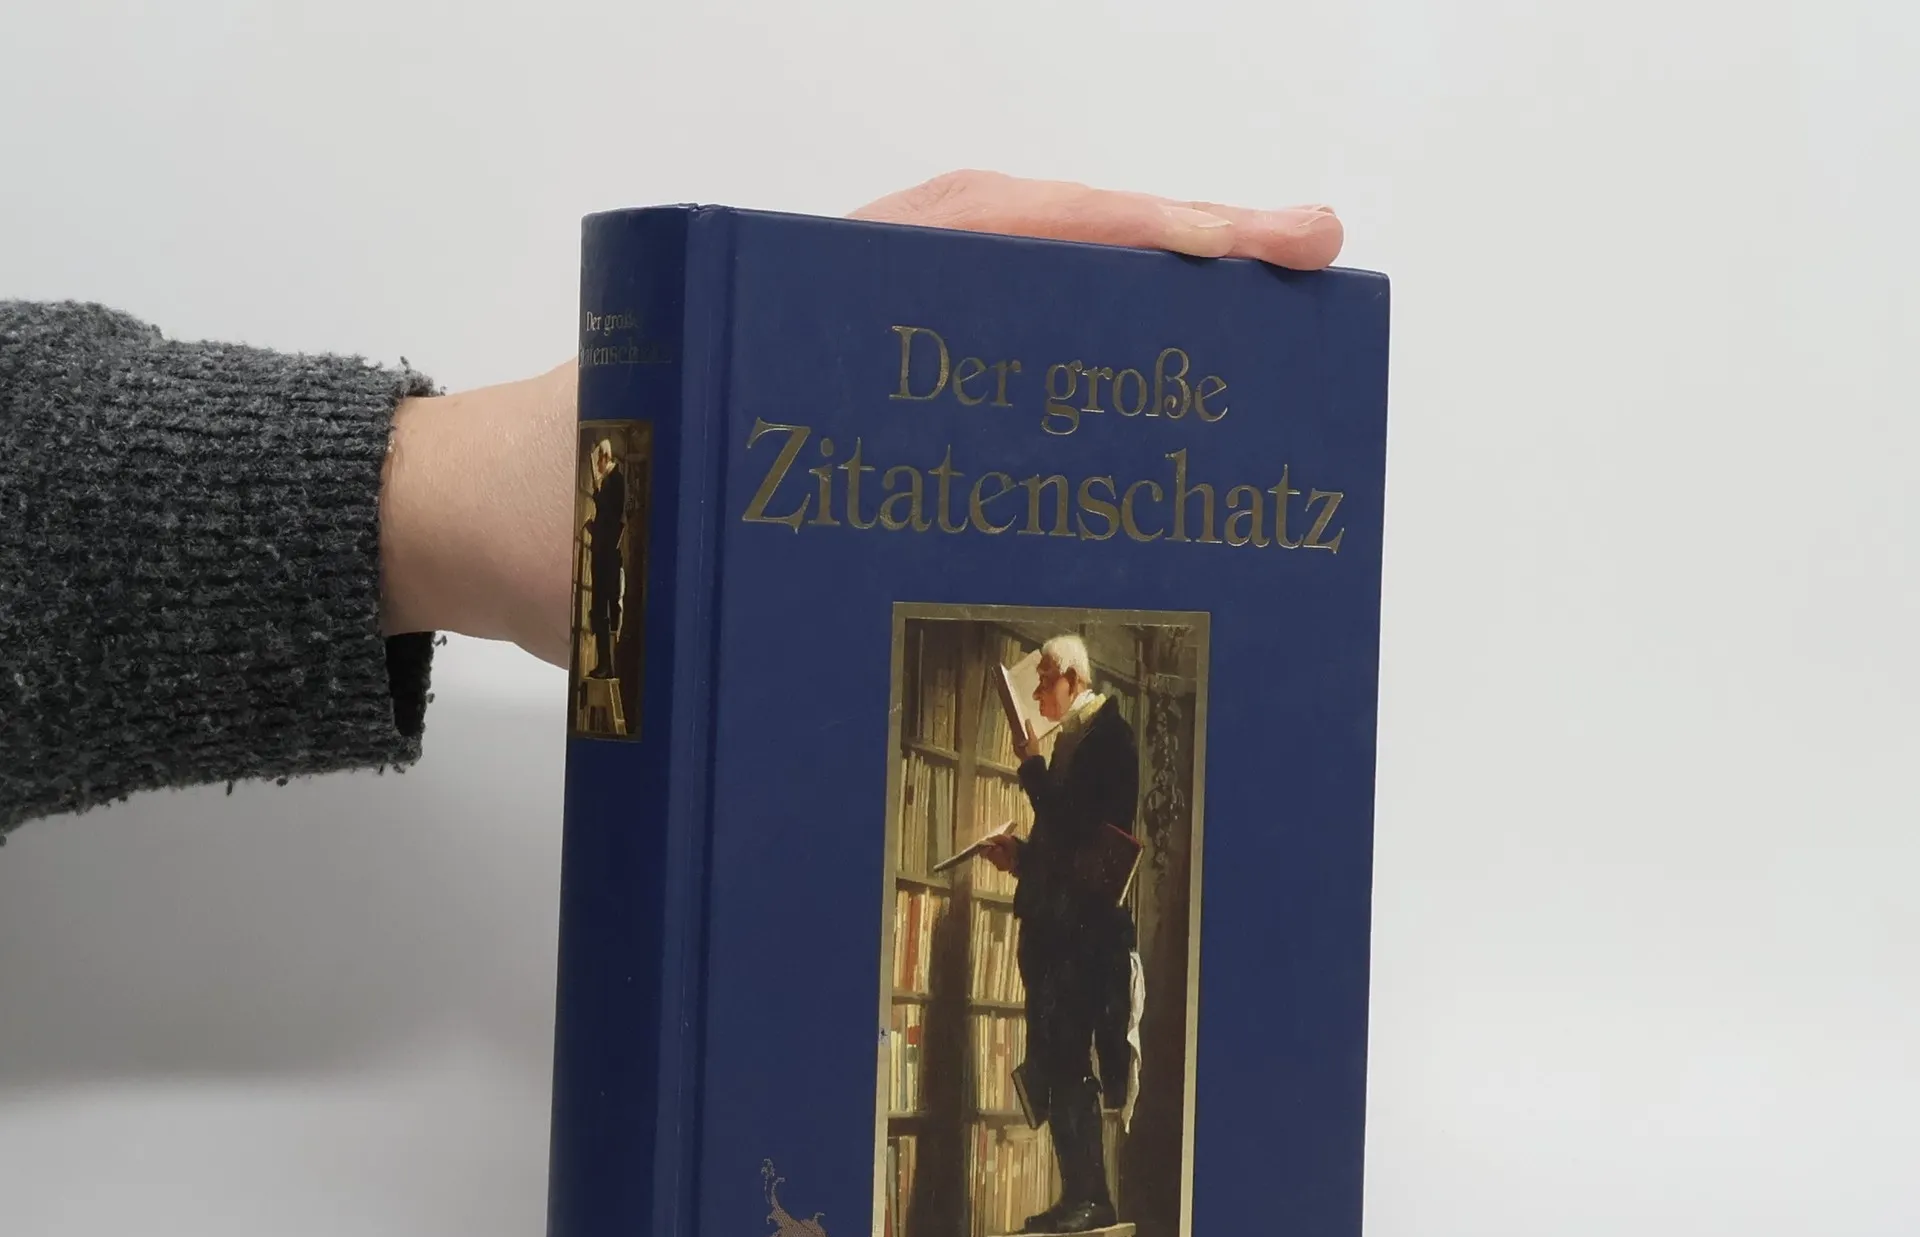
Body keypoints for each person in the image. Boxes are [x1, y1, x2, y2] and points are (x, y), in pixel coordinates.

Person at [0, 173, 1342, 842]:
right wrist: (462, 494)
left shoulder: (1108, 740)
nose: (1043, 690)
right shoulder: (1085, 726)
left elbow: (1093, 848)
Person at [981, 636, 1139, 1233]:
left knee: (1069, 1059)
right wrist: (1020, 856)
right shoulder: (1074, 738)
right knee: (1053, 1057)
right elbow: (1064, 849)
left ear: (1075, 678)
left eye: (1047, 679)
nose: (1039, 690)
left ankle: (1091, 1196)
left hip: (1080, 938)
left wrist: (1031, 766)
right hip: (1055, 932)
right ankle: (1076, 1192)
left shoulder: (1108, 738)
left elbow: (1081, 834)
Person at [583, 437, 626, 681]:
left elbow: (611, 521)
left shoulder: (614, 482)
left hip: (606, 556)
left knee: (603, 610)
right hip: (605, 554)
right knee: (602, 610)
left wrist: (594, 529)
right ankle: (604, 664)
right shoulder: (611, 481)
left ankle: (605, 665)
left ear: (604, 458)